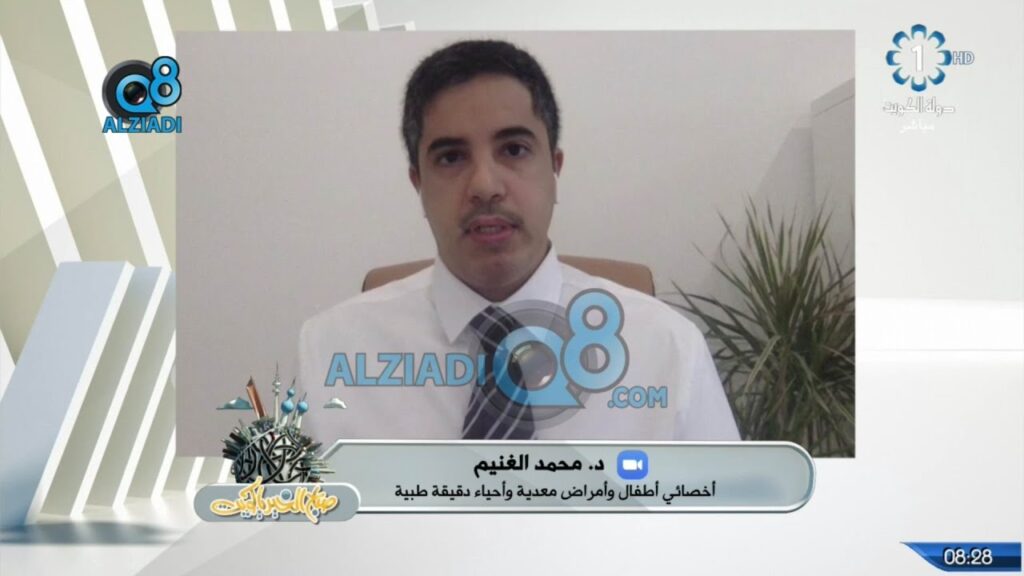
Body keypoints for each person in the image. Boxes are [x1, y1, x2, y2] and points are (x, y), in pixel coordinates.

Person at [298, 39, 739, 441]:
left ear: (555, 169)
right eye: (451, 157)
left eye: (513, 150)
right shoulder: (332, 351)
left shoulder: (667, 349)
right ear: (419, 184)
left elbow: (723, 506)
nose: (485, 185)